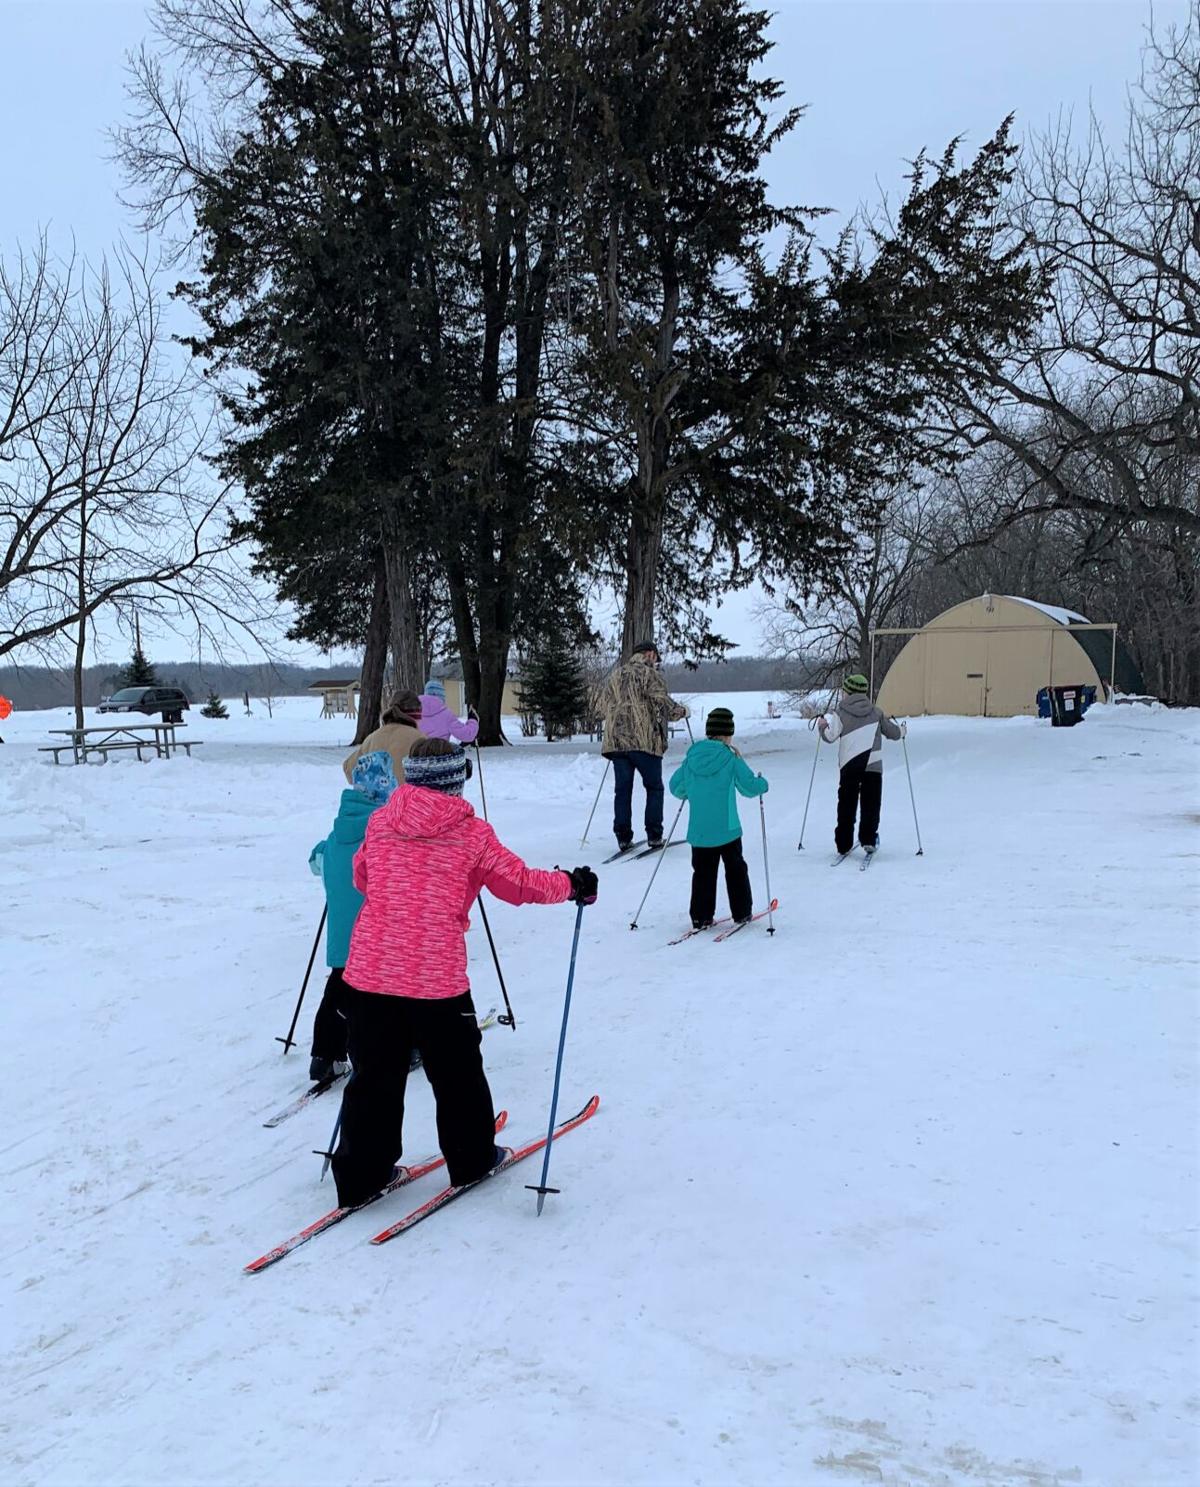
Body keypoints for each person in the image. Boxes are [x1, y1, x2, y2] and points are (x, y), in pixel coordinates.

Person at [330, 736, 598, 1208]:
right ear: (457, 780)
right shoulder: (471, 834)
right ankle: (472, 1158)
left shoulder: (380, 822)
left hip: (370, 973)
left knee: (373, 1077)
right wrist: (571, 885)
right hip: (436, 979)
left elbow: (362, 877)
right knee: (456, 1075)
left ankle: (359, 1176)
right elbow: (519, 884)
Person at [306, 751, 399, 1081]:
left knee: (339, 990)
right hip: (377, 936)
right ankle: (403, 1046)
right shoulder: (384, 832)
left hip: (342, 938)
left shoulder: (335, 836)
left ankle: (324, 1055)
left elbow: (316, 862)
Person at [669, 707, 768, 929]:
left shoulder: (692, 757)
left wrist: (690, 790)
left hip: (699, 832)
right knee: (735, 870)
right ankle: (742, 912)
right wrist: (763, 784)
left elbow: (676, 787)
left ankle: (700, 916)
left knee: (703, 873)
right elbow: (749, 787)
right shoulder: (730, 757)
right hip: (728, 829)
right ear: (727, 733)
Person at [594, 641, 689, 853]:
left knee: (623, 790)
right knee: (654, 788)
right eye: (655, 657)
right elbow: (662, 702)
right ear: (649, 654)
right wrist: (681, 712)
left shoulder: (616, 675)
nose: (656, 662)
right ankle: (654, 835)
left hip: (617, 743)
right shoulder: (649, 675)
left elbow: (602, 706)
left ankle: (622, 836)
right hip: (643, 741)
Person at [817, 673, 905, 858]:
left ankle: (843, 843)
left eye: (844, 691)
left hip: (849, 766)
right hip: (872, 767)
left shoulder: (840, 714)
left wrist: (822, 726)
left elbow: (830, 737)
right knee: (871, 804)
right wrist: (902, 730)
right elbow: (894, 733)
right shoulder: (876, 712)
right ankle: (868, 840)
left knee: (846, 805)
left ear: (848, 693)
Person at [342, 689, 426, 784]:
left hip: (376, 798)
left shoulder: (372, 738)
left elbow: (349, 770)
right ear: (417, 715)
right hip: (407, 798)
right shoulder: (420, 740)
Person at [418, 678, 480, 744]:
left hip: (418, 753)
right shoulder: (446, 715)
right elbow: (467, 735)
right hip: (441, 752)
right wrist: (473, 720)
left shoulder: (413, 713)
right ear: (442, 697)